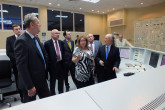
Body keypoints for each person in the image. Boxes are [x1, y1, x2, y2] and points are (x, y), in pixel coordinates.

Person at [14, 13, 50, 103]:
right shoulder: (21, 41)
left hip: (42, 80)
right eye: (38, 22)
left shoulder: (36, 39)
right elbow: (21, 66)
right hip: (31, 84)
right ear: (31, 24)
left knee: (48, 103)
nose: (40, 25)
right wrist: (29, 86)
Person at [44, 29, 64, 95]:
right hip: (52, 65)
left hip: (60, 64)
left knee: (61, 80)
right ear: (52, 34)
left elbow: (63, 52)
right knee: (53, 81)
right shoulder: (47, 43)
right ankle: (52, 94)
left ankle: (61, 92)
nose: (58, 34)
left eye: (58, 33)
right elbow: (46, 55)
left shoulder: (61, 42)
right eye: (56, 33)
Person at [6, 24, 23, 101]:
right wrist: (18, 59)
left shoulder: (24, 38)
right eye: (16, 29)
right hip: (16, 64)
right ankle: (22, 95)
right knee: (19, 80)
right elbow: (9, 52)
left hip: (26, 63)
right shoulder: (9, 39)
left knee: (27, 79)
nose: (18, 30)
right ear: (13, 31)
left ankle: (28, 94)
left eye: (19, 29)